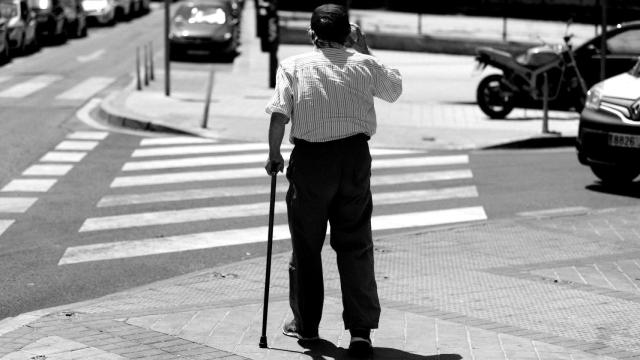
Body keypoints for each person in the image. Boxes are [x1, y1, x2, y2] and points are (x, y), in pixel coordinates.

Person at [264, 3, 402, 358]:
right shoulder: (363, 64)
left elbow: (279, 114)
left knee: (306, 246)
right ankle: (360, 333)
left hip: (311, 162)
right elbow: (393, 90)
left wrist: (274, 154)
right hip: (354, 159)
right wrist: (364, 48)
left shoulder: (293, 66)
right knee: (355, 245)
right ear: (348, 35)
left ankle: (306, 326)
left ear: (312, 35)